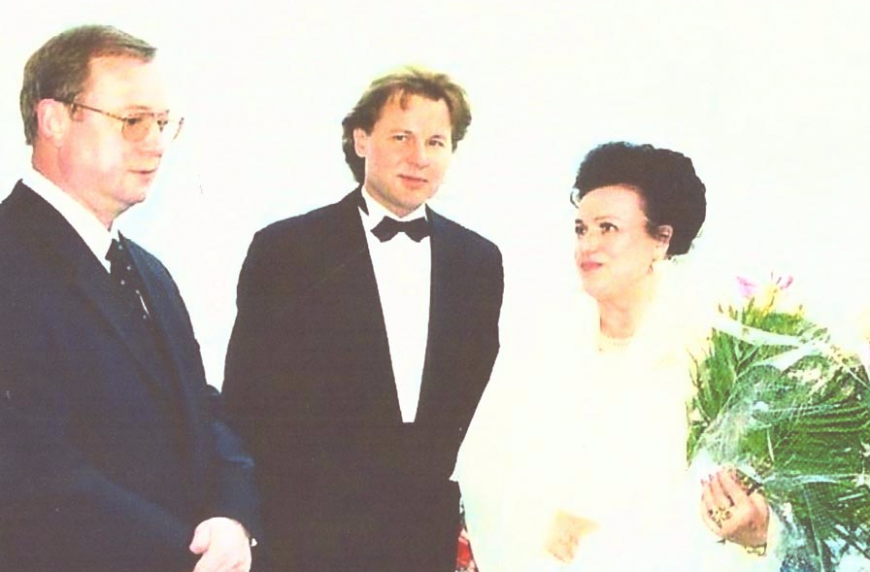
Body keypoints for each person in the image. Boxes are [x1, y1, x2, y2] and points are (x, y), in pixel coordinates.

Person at [0, 24, 261, 572]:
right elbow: (30, 470)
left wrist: (233, 518)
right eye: (133, 121)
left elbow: (201, 410)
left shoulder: (150, 271)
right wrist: (188, 555)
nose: (156, 143)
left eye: (163, 123)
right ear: (53, 120)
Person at [222, 66, 504, 572]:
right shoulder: (286, 250)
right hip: (308, 539)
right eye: (402, 137)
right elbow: (246, 401)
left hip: (429, 541)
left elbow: (480, 406)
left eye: (436, 142)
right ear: (360, 140)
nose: (419, 157)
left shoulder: (479, 262)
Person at [455, 142, 782, 571]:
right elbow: (485, 466)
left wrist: (756, 529)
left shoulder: (712, 351)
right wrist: (541, 519)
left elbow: (754, 494)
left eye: (607, 228)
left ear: (661, 240)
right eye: (581, 229)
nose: (588, 245)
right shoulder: (540, 339)